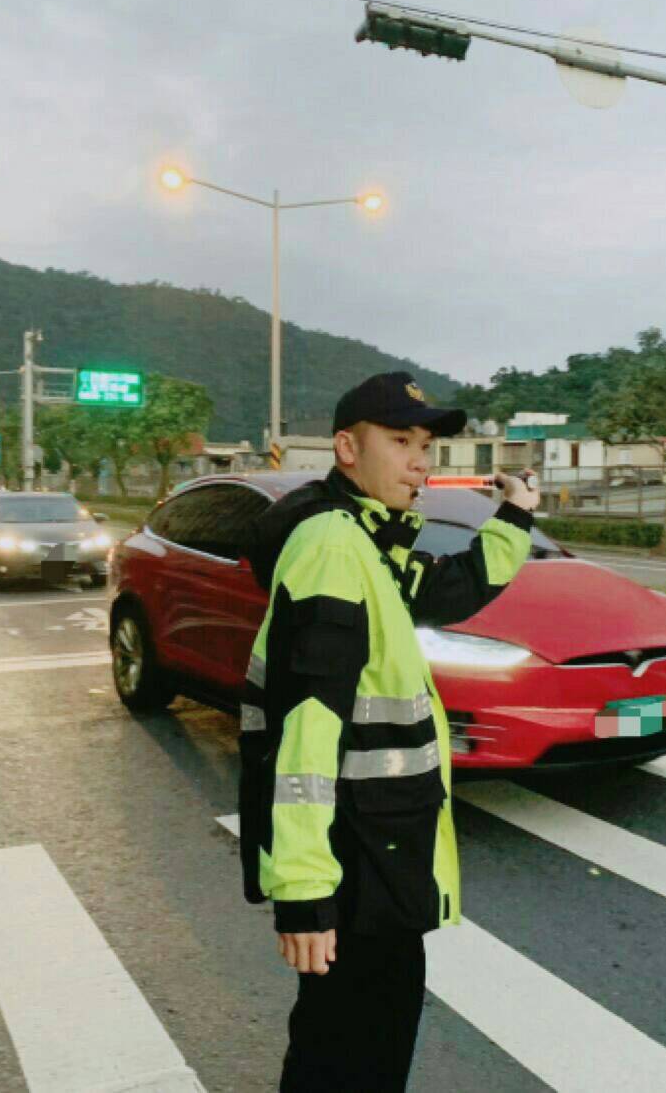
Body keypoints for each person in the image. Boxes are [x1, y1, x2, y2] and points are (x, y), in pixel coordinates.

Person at [238, 371, 540, 1091]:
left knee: (347, 1045)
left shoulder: (367, 539)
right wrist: (306, 894)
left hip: (377, 851)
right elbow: (304, 726)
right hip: (356, 863)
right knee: (351, 1056)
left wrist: (514, 515)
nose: (419, 461)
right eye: (400, 441)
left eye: (426, 445)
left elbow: (446, 590)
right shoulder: (334, 548)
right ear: (347, 447)